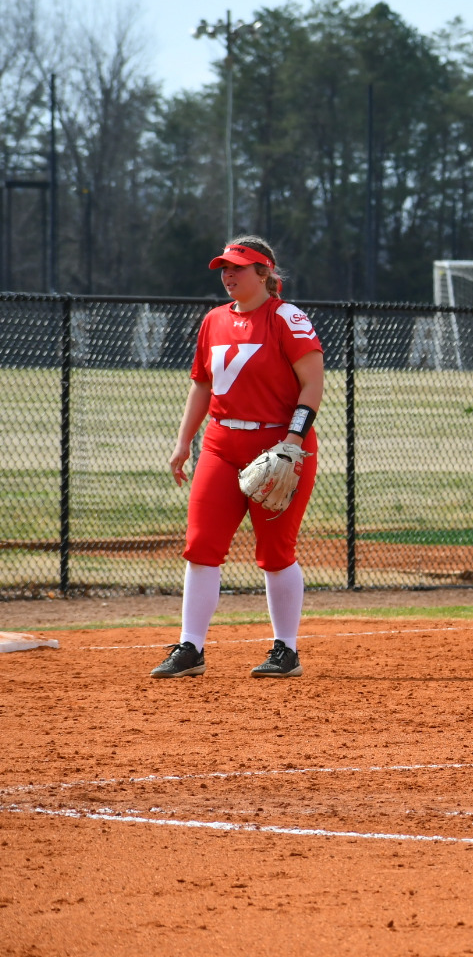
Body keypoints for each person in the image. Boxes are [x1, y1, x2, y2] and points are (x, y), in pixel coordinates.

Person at [150, 237, 323, 679]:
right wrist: (183, 441)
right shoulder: (213, 321)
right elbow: (203, 385)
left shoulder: (288, 319)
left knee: (276, 552)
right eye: (224, 268)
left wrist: (292, 441)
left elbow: (312, 383)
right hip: (221, 446)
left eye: (238, 268)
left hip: (279, 448)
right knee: (201, 547)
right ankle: (191, 647)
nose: (228, 275)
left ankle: (286, 650)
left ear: (264, 273)